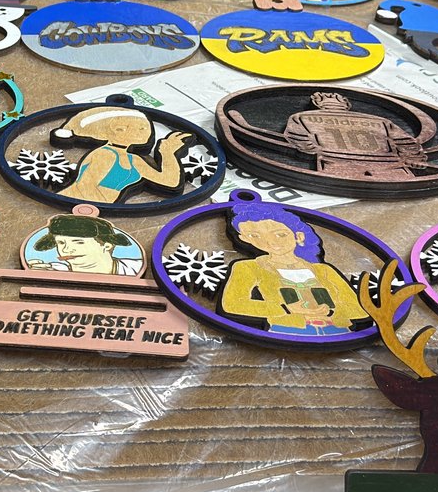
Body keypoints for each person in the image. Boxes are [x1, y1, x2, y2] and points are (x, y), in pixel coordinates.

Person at [218, 206, 371, 339]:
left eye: (280, 234)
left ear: (299, 236)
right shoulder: (249, 267)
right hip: (284, 332)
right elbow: (233, 303)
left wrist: (331, 310)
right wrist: (285, 308)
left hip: (339, 333)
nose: (270, 242)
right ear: (244, 238)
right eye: (255, 236)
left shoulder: (324, 270)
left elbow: (358, 308)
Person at [50, 105, 187, 206]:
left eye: (144, 128)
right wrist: (107, 207)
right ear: (116, 130)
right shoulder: (105, 154)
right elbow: (86, 187)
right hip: (73, 204)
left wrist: (167, 153)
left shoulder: (134, 159)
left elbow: (170, 182)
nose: (146, 132)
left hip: (97, 206)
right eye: (140, 128)